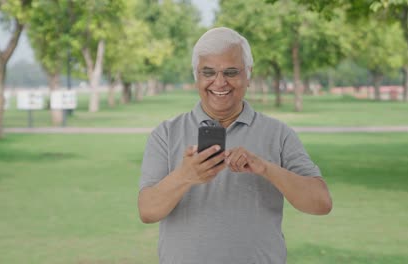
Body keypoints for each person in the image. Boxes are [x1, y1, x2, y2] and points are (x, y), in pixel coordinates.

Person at [138, 27, 332, 264]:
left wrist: (265, 168)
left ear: (248, 74)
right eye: (208, 72)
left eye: (231, 71)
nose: (220, 82)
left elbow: (321, 203)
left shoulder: (279, 134)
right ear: (196, 76)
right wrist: (185, 176)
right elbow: (147, 211)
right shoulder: (166, 134)